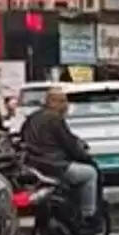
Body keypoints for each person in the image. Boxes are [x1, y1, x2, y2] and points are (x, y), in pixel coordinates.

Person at [21, 87, 99, 227]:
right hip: (55, 166)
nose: (66, 105)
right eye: (62, 101)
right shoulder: (55, 118)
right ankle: (88, 216)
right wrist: (85, 156)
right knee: (90, 173)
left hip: (33, 165)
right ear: (51, 102)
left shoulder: (32, 118)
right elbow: (69, 144)